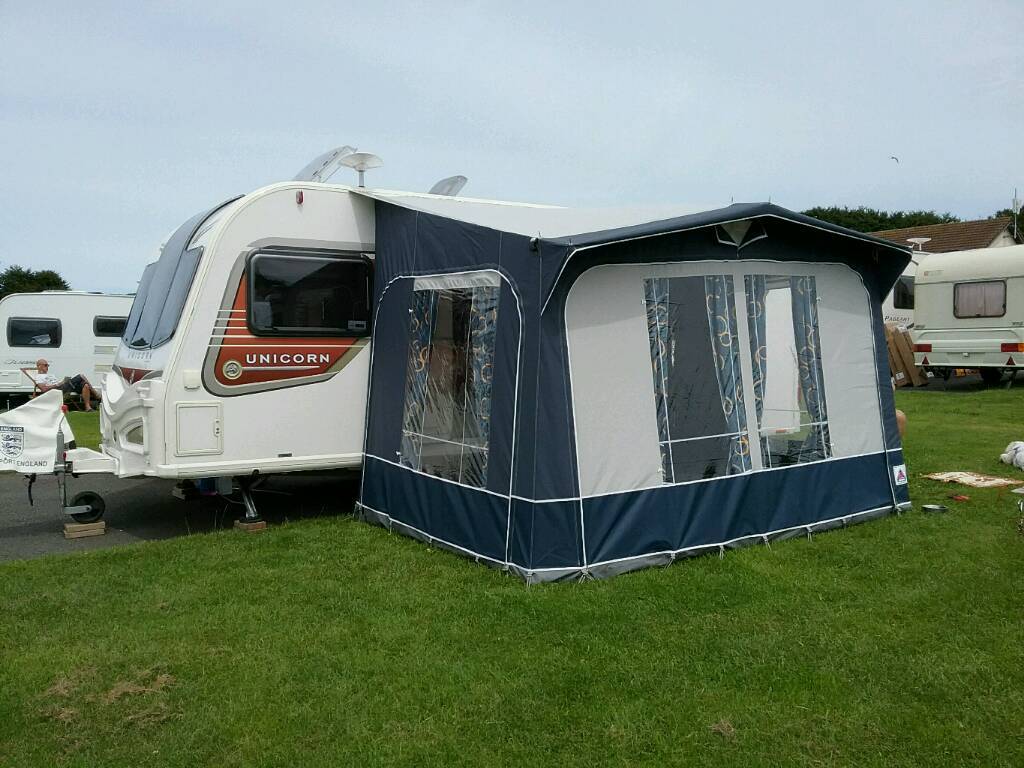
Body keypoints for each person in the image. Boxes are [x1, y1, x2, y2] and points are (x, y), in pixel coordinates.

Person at [22, 358, 97, 411]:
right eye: (45, 365)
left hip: (62, 388)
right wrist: (59, 384)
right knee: (81, 376)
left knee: (85, 385)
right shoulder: (38, 377)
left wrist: (62, 382)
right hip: (56, 391)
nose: (47, 367)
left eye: (48, 365)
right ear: (39, 366)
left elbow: (59, 384)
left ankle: (88, 407)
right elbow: (44, 389)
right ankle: (96, 394)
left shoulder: (51, 375)